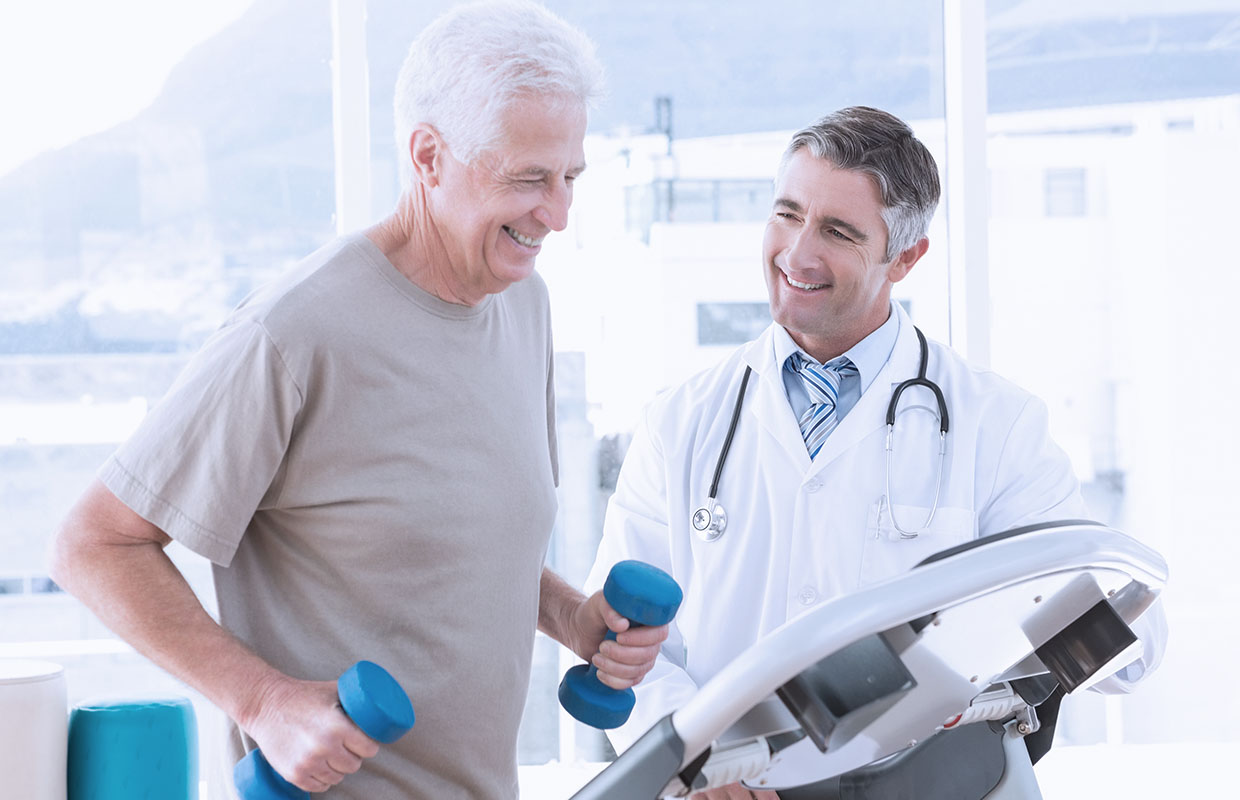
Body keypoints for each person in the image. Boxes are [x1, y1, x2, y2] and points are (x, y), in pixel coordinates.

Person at [49, 2, 667, 797]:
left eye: (570, 176)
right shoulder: (292, 334)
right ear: (429, 156)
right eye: (528, 179)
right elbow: (92, 546)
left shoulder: (523, 302)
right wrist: (263, 701)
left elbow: (464, 538)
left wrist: (573, 619)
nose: (558, 214)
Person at [584, 106, 1166, 798]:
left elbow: (1128, 636)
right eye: (787, 213)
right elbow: (628, 645)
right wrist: (696, 774)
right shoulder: (680, 422)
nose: (798, 253)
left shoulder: (995, 424)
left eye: (837, 231)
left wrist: (1046, 641)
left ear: (907, 257)